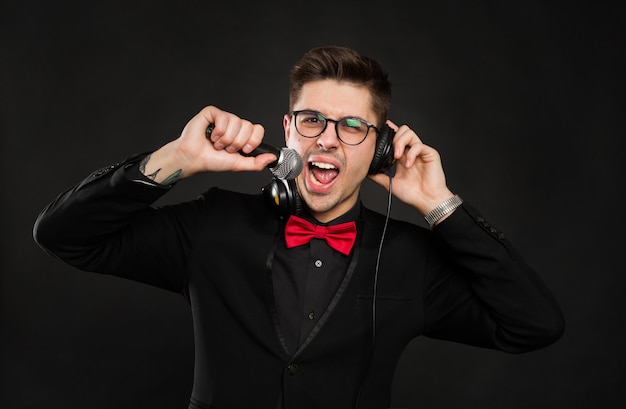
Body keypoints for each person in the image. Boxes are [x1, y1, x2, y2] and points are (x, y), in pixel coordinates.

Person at [33, 46, 564, 409]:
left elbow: (533, 325)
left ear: (380, 146)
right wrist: (176, 159)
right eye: (312, 120)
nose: (327, 140)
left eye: (353, 125)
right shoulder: (213, 225)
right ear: (289, 129)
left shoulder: (408, 257)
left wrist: (440, 205)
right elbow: (64, 236)